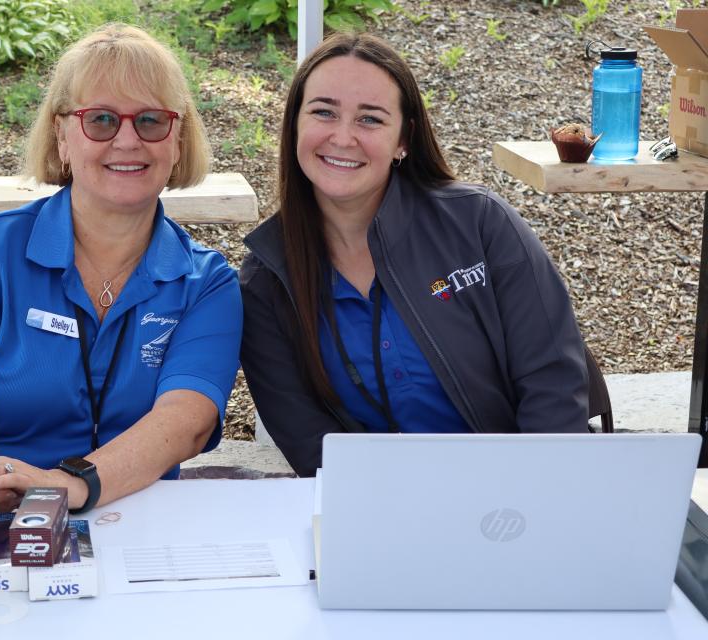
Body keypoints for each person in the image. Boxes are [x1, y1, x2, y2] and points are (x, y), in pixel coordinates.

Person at [0, 24, 242, 512]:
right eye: (99, 119)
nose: (127, 140)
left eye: (151, 121)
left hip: (140, 521)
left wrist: (68, 484)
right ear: (61, 135)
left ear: (177, 139)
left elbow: (187, 420)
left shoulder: (206, 283)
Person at [240, 33, 588, 478]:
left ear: (403, 139)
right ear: (294, 126)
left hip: (515, 496)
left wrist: (525, 504)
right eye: (323, 112)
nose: (342, 137)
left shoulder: (480, 223)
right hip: (374, 508)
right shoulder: (267, 278)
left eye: (370, 119)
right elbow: (310, 445)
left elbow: (552, 381)